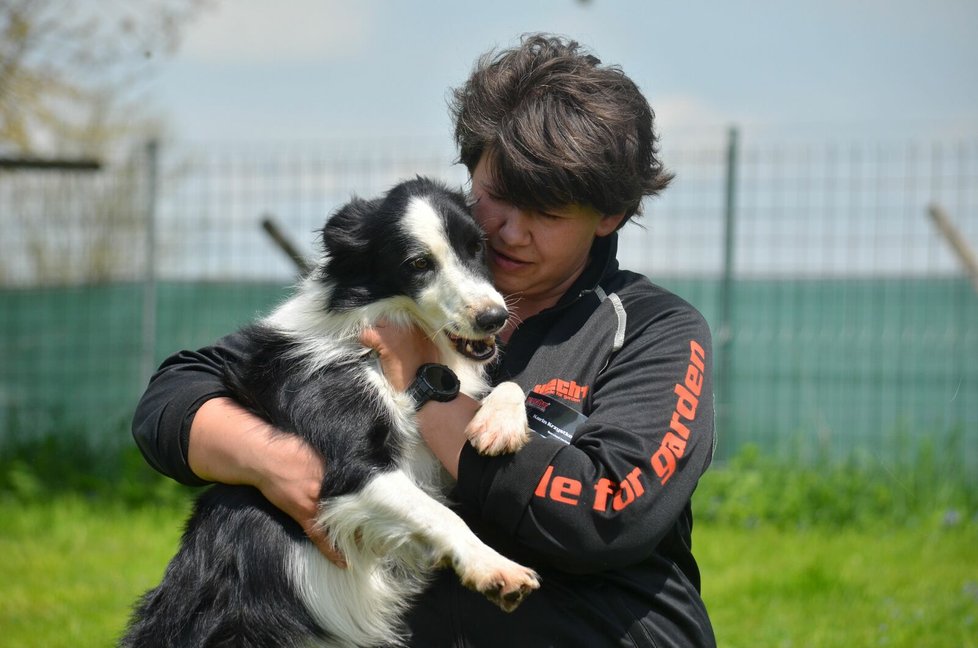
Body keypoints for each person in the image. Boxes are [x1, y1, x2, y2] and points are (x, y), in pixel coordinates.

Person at [132, 34, 717, 647]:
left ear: (610, 215)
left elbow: (607, 513)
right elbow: (174, 396)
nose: (508, 232)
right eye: (498, 196)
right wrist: (280, 464)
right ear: (469, 171)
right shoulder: (399, 294)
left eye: (547, 213)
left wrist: (426, 387)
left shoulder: (654, 330)